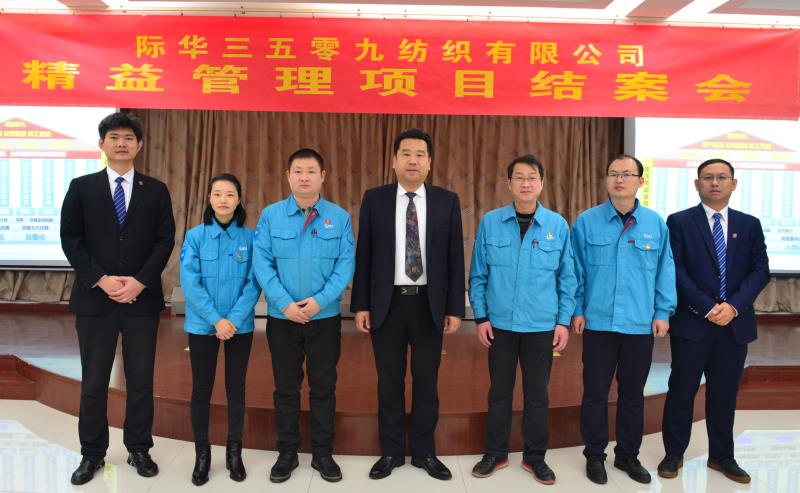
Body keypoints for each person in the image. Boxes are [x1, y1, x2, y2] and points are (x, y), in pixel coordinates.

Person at [60, 112, 175, 485]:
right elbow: (71, 238)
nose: (121, 143)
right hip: (95, 300)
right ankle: (92, 453)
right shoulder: (82, 187)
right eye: (114, 137)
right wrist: (101, 279)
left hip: (141, 302)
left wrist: (140, 282)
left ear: (139, 145)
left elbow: (164, 241)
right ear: (102, 144)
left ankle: (139, 448)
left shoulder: (155, 190)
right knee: (94, 381)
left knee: (141, 381)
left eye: (128, 137)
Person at [351, 128, 465, 481]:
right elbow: (364, 254)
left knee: (427, 382)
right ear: (394, 160)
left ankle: (425, 453)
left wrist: (455, 307)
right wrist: (361, 304)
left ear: (430, 163)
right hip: (387, 304)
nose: (413, 160)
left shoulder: (447, 201)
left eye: (420, 154)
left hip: (429, 304)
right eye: (406, 153)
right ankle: (390, 452)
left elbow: (455, 256)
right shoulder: (375, 199)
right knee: (389, 381)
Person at [658, 158, 769, 484]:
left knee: (724, 395)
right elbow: (675, 269)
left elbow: (760, 270)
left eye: (722, 177)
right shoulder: (679, 222)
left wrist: (733, 306)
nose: (715, 182)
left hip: (734, 325)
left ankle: (722, 456)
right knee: (681, 391)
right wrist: (708, 307)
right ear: (697, 184)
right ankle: (673, 453)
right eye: (708, 177)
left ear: (734, 183)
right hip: (693, 323)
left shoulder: (749, 224)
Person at [469, 154, 577, 485]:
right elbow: (478, 274)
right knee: (499, 392)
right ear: (509, 184)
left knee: (537, 395)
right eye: (519, 177)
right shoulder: (491, 222)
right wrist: (480, 317)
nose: (526, 183)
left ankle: (535, 457)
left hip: (541, 326)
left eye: (532, 177)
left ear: (541, 183)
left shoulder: (557, 225)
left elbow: (567, 278)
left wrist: (563, 322)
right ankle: (495, 452)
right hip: (500, 325)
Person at [570, 154, 676, 485]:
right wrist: (577, 309)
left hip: (638, 324)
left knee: (632, 393)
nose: (619, 179)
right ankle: (594, 455)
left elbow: (665, 269)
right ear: (606, 179)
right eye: (613, 173)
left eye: (627, 174)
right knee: (595, 392)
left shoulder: (655, 224)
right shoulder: (587, 222)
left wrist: (662, 311)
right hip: (598, 323)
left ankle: (628, 455)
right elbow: (575, 270)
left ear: (640, 182)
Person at [252, 148, 355, 483]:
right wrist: (284, 304)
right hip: (283, 319)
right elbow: (262, 263)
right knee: (286, 387)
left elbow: (345, 264)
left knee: (324, 387)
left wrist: (320, 302)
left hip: (323, 319)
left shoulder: (339, 217)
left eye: (311, 171)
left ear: (323, 176)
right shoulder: (271, 216)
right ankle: (287, 452)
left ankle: (323, 453)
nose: (304, 177)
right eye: (298, 171)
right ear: (288, 176)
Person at [179, 173, 261, 485]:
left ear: (239, 200)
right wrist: (216, 319)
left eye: (229, 194)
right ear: (210, 199)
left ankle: (234, 452)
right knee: (201, 389)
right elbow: (190, 282)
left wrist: (233, 320)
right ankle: (202, 455)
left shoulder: (250, 238)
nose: (223, 199)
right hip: (203, 324)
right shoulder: (195, 236)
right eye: (217, 194)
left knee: (236, 388)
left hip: (240, 325)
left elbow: (254, 282)